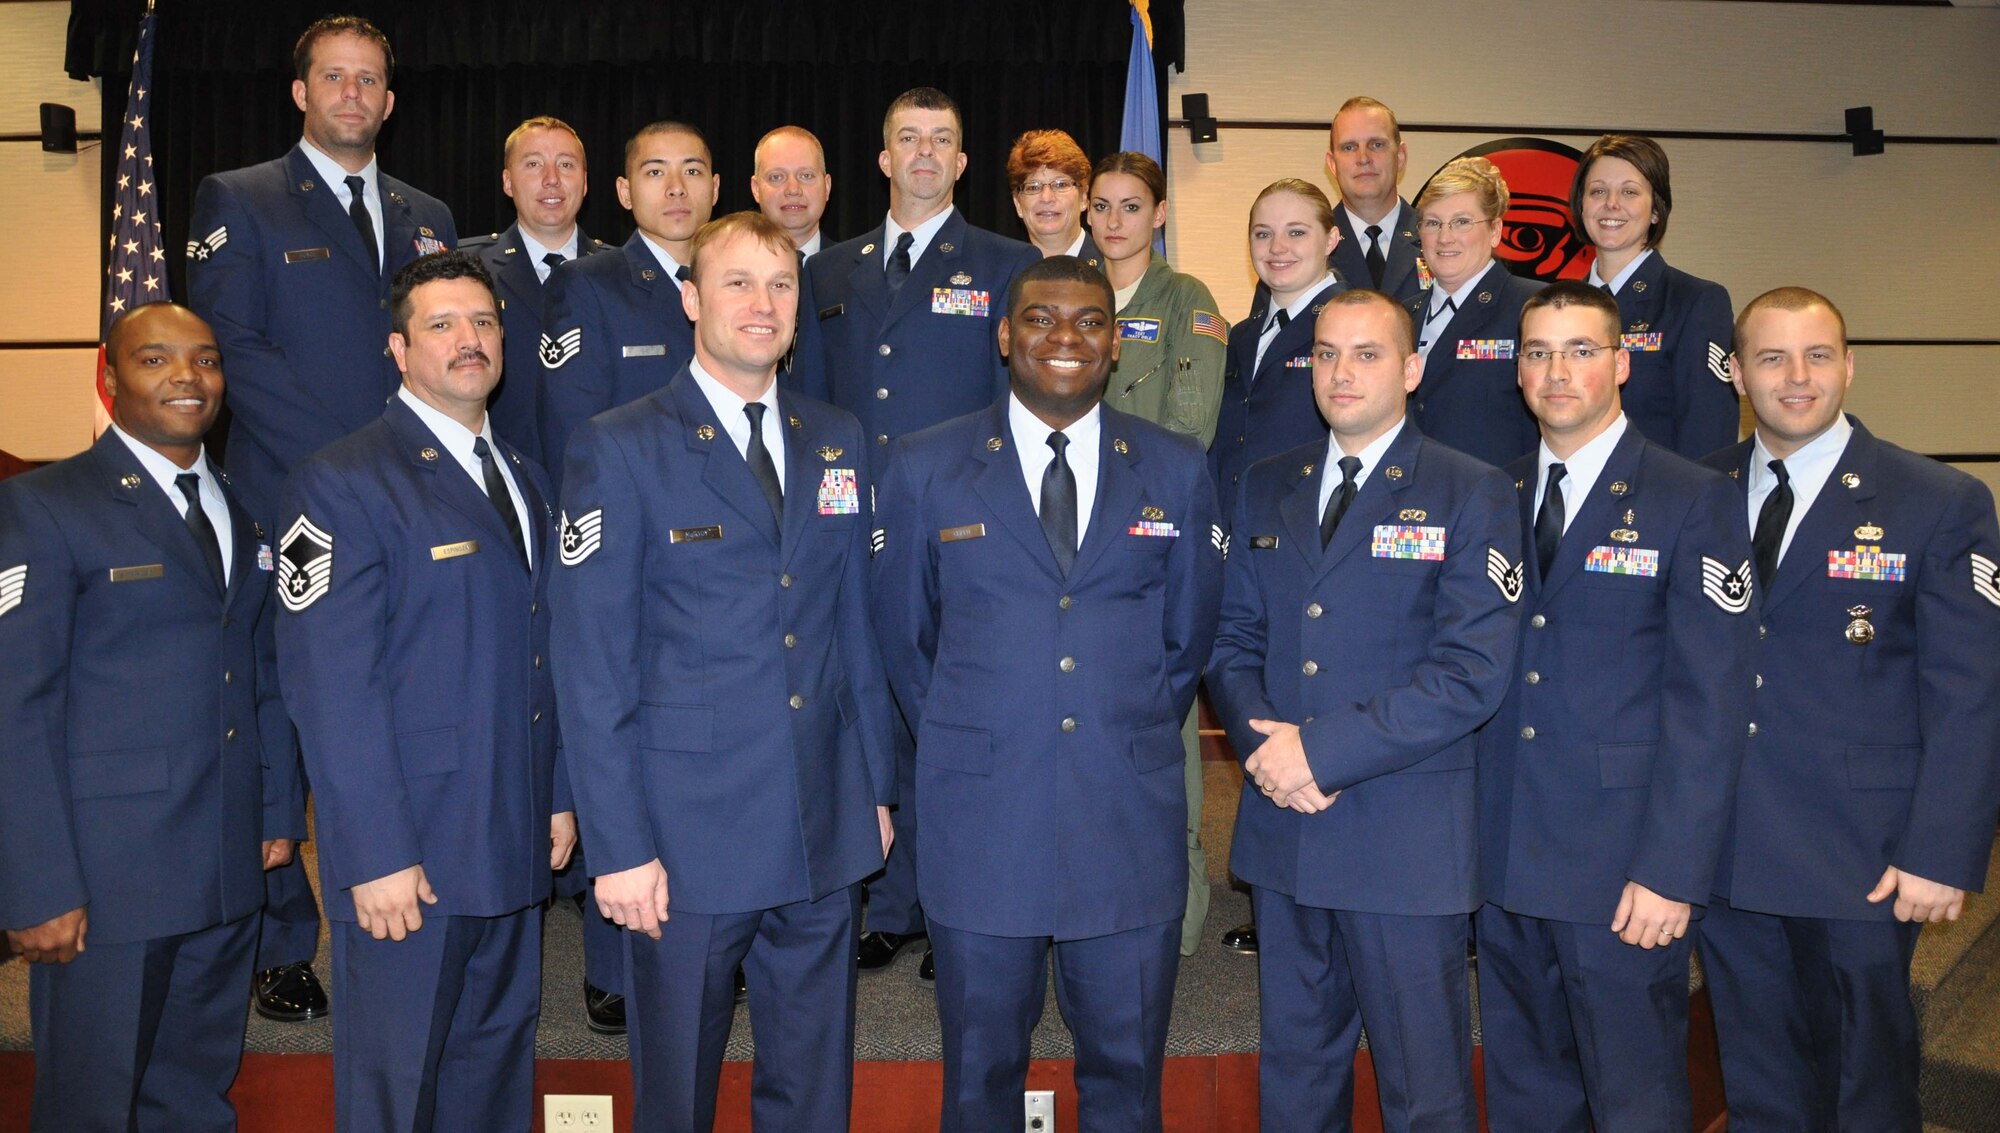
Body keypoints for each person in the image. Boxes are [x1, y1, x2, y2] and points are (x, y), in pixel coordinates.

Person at [549, 211, 896, 1131]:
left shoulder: (836, 436)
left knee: (815, 1087)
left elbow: (850, 622)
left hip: (822, 817)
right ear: (692, 299)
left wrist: (875, 789)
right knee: (677, 1091)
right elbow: (592, 666)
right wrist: (616, 845)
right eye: (737, 282)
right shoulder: (620, 444)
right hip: (684, 836)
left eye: (781, 285)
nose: (762, 304)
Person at [872, 256, 1224, 1130]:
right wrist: (977, 730)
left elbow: (1188, 642)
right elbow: (906, 642)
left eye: (1090, 321)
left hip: (1127, 825)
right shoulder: (925, 466)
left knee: (1128, 1075)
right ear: (1003, 334)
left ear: (1115, 343)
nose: (1064, 337)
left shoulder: (1176, 467)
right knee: (979, 1078)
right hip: (982, 823)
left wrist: (1117, 721)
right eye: (1040, 318)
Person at [187, 12, 455, 1026]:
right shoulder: (240, 198)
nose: (351, 93)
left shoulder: (426, 209)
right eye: (332, 77)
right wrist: (359, 466)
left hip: (412, 503)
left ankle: (414, 881)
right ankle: (282, 939)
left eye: (369, 80)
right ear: (300, 91)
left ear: (389, 100)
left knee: (396, 703)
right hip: (293, 500)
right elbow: (233, 349)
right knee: (287, 716)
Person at [1209, 288, 1521, 1132]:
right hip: (1287, 832)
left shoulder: (1472, 491)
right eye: (1326, 353)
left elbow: (1472, 672)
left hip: (1402, 843)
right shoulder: (1268, 485)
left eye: (1368, 353)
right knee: (1298, 1082)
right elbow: (1230, 640)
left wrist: (1319, 752)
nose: (1342, 372)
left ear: (1413, 368)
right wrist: (1265, 750)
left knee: (1425, 1093)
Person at [276, 252, 573, 1132]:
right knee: (396, 1089)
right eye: (442, 325)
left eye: (483, 322)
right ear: (399, 350)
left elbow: (547, 650)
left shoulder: (525, 476)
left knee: (492, 1076)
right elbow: (331, 689)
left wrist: (557, 797)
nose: (468, 340)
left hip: (511, 835)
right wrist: (368, 854)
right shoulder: (342, 481)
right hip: (410, 856)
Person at [1697, 287, 2000, 1129]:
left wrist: (1943, 848)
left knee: (1864, 1085)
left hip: (1859, 854)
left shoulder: (1937, 500)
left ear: (1849, 366)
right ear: (1738, 377)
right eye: (1771, 357)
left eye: (1817, 355)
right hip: (1724, 848)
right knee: (1759, 1083)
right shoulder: (1696, 492)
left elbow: (1972, 692)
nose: (1797, 378)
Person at [0, 302, 301, 1133]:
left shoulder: (239, 505)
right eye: (157, 359)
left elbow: (262, 674)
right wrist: (34, 884)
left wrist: (275, 814)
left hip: (226, 865)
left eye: (205, 360)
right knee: (91, 1107)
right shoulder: (47, 505)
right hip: (107, 884)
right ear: (109, 375)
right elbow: (14, 708)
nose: (186, 377)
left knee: (196, 1096)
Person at [1476, 281, 1756, 1132]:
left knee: (1635, 1096)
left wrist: (1673, 869)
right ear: (1518, 370)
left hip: (1623, 865)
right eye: (1537, 352)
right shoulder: (1489, 492)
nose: (1556, 371)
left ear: (1622, 363)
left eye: (1581, 350)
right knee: (1528, 1091)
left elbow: (1711, 702)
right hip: (1502, 853)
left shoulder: (1693, 496)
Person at [806, 86, 1039, 982]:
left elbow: (1012, 400)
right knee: (873, 701)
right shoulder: (832, 270)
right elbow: (818, 409)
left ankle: (953, 906)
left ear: (964, 160)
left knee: (952, 711)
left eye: (943, 139)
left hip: (960, 519)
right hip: (856, 518)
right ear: (882, 157)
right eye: (909, 138)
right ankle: (892, 900)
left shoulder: (1007, 261)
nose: (926, 153)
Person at [1087, 148, 1227, 958]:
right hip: (1068, 541)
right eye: (1100, 205)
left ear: (1160, 213)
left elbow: (1188, 430)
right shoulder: (1075, 290)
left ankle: (1178, 909)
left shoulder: (1187, 300)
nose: (1113, 221)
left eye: (1131, 206)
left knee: (1162, 725)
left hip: (1147, 537)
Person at [1209, 178, 1348, 956]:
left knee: (1306, 715)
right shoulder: (1245, 331)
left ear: (1332, 240)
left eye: (1297, 231)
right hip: (1246, 549)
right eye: (1264, 233)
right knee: (1257, 707)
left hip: (1313, 556)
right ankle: (1274, 900)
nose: (1279, 248)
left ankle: (1309, 901)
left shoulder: (1349, 325)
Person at [537, 120, 719, 487]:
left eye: (692, 171)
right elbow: (574, 439)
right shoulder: (587, 285)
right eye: (655, 172)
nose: (676, 189)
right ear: (625, 192)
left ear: (714, 188)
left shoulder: (740, 287)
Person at [460, 116, 612, 467]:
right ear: (507, 181)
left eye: (566, 165)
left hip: (601, 476)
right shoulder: (466, 270)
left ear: (585, 182)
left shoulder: (620, 273)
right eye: (533, 164)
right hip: (497, 475)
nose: (552, 179)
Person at [1573, 135, 1737, 459]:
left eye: (1630, 192)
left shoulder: (1695, 302)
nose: (1611, 204)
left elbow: (1709, 438)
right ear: (1581, 205)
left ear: (1655, 211)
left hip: (1658, 502)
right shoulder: (1557, 306)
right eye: (1598, 191)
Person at [1405, 156, 1545, 469]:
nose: (1445, 237)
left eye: (1462, 222)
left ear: (1495, 230)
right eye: (1432, 223)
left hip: (1497, 499)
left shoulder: (1534, 307)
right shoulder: (1401, 314)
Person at [1324, 96, 1425, 304]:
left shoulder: (1438, 238)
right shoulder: (1306, 246)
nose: (1363, 158)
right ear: (1333, 164)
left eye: (1377, 145)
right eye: (1349, 147)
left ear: (1400, 157)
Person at [1008, 128, 1099, 265]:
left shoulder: (1112, 269)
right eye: (1033, 187)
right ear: (1018, 204)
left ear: (1084, 198)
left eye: (1060, 185)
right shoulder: (1002, 274)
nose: (1046, 198)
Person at [751, 125, 835, 259]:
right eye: (777, 177)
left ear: (827, 186)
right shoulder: (729, 268)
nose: (793, 189)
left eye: (806, 176)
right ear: (755, 189)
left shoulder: (857, 272)